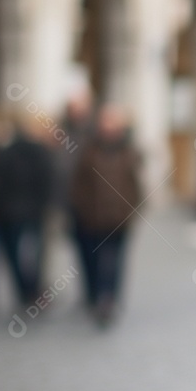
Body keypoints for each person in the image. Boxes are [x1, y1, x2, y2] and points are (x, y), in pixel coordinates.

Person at [69, 105, 143, 326]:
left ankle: (109, 299)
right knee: (94, 261)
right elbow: (78, 185)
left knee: (114, 261)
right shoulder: (88, 150)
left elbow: (136, 185)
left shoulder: (129, 151)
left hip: (119, 220)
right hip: (92, 219)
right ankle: (95, 296)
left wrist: (131, 211)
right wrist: (82, 210)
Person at [0, 116, 53, 310]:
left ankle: (25, 292)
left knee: (16, 255)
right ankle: (33, 290)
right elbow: (47, 184)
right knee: (34, 254)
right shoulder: (41, 153)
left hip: (10, 213)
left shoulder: (6, 153)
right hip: (32, 213)